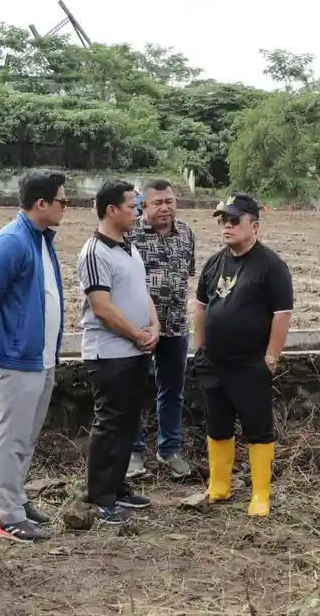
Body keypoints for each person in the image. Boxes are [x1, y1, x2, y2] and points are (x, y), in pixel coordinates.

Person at [0, 171, 67, 543]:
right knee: (12, 436)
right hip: (18, 356)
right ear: (41, 203)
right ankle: (6, 514)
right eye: (62, 200)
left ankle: (15, 497)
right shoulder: (11, 241)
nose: (66, 207)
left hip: (41, 355)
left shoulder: (41, 240)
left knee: (27, 436)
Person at [193, 194, 294, 518]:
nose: (227, 226)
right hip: (214, 361)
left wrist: (270, 358)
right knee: (217, 425)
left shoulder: (271, 266)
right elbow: (201, 305)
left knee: (257, 427)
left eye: (234, 220)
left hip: (250, 363)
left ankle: (260, 494)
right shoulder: (214, 262)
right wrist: (200, 346)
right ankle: (219, 486)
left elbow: (282, 314)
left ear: (255, 225)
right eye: (223, 220)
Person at [77, 180, 157, 524]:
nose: (137, 212)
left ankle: (117, 485)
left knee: (127, 421)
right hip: (109, 352)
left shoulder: (129, 247)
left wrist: (153, 326)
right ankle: (100, 495)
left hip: (135, 350)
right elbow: (102, 308)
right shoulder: (95, 252)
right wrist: (137, 335)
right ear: (111, 210)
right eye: (131, 206)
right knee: (109, 422)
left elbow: (141, 293)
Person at [126, 180, 196, 479]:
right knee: (133, 391)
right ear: (144, 205)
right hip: (138, 329)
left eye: (170, 201)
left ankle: (169, 450)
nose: (165, 207)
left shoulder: (187, 234)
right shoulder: (130, 235)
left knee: (172, 391)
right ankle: (133, 453)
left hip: (176, 326)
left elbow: (187, 273)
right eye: (158, 203)